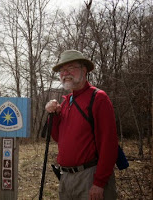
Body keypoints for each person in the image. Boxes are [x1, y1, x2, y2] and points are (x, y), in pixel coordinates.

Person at [45, 50, 118, 200]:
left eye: (70, 68)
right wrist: (55, 116)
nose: (65, 73)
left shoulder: (98, 98)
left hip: (90, 177)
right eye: (62, 70)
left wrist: (99, 182)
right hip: (66, 178)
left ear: (84, 70)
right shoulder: (66, 102)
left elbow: (109, 144)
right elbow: (58, 137)